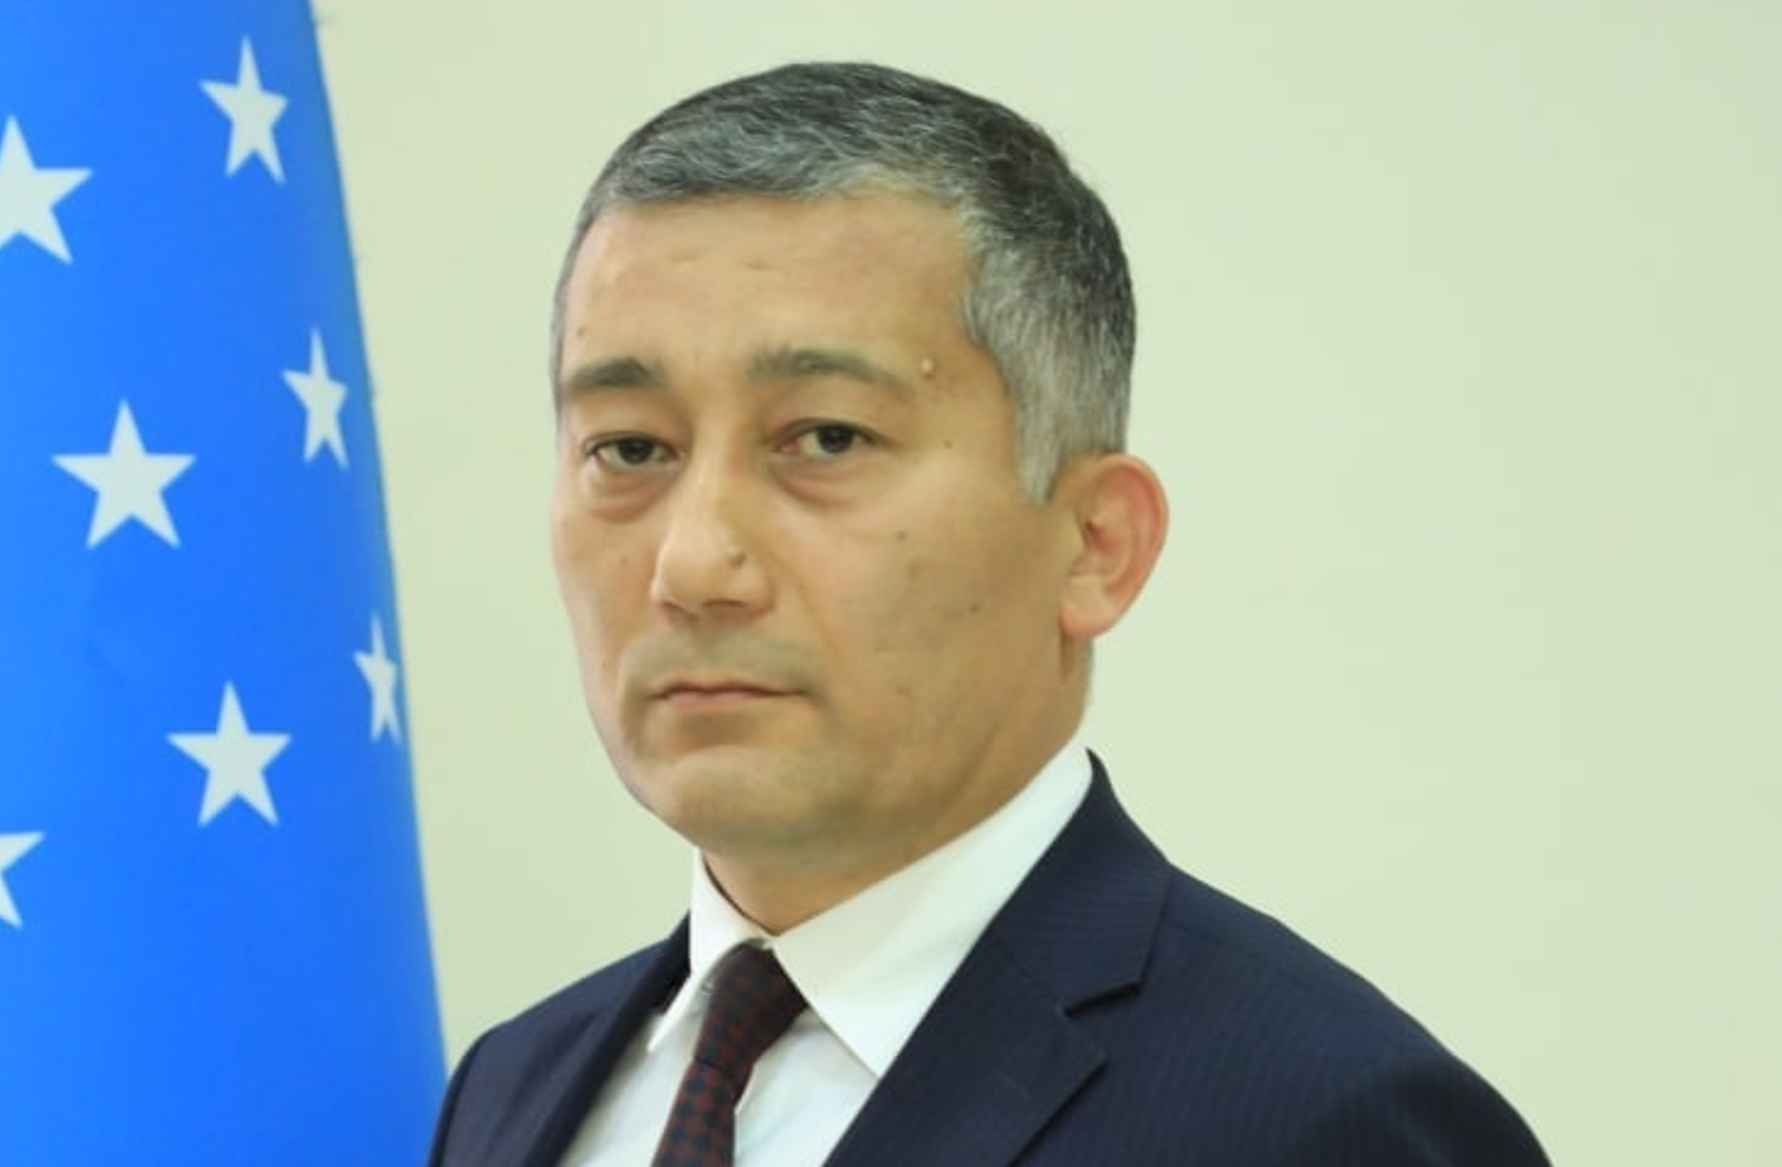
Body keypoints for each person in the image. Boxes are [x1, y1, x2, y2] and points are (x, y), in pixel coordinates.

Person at [428, 61, 1550, 1166]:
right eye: (629, 449)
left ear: (1095, 543)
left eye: (825, 438)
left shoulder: (1321, 1121)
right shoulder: (511, 1088)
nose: (692, 565)